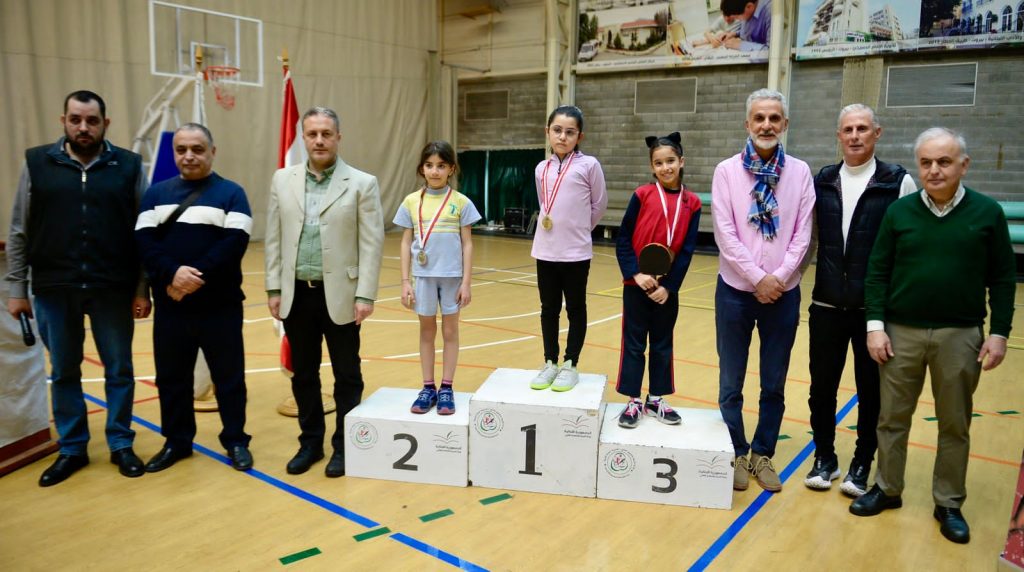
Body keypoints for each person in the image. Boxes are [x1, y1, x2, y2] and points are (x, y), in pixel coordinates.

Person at [851, 127, 1015, 545]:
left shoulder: (988, 213)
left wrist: (999, 332)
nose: (934, 170)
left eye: (944, 161)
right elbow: (877, 272)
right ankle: (887, 488)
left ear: (964, 165)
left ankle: (949, 502)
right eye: (926, 162)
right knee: (891, 418)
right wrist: (875, 327)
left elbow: (1003, 278)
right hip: (900, 333)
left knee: (954, 423)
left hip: (960, 336)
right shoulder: (899, 212)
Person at [5, 90, 151, 486]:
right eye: (75, 120)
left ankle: (120, 443)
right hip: (54, 288)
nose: (83, 127)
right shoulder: (37, 163)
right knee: (65, 371)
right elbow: (19, 229)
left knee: (119, 370)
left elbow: (144, 231)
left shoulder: (128, 166)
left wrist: (142, 288)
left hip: (113, 288)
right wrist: (17, 288)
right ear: (64, 121)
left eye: (91, 120)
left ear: (106, 124)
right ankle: (72, 448)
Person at [803, 104, 917, 496]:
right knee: (821, 389)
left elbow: (907, 249)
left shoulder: (898, 182)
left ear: (876, 133)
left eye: (862, 129)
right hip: (827, 307)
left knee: (871, 392)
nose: (855, 136)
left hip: (873, 314)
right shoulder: (823, 180)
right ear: (839, 135)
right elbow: (809, 239)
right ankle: (825, 457)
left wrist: (892, 309)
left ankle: (862, 462)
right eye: (848, 129)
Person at [265, 106, 385, 478]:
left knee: (347, 375)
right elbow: (274, 238)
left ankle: (345, 446)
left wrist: (365, 295)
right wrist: (273, 287)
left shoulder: (362, 183)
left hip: (342, 296)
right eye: (312, 134)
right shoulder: (282, 180)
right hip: (296, 295)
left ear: (338, 138)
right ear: (303, 137)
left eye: (326, 134)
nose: (319, 140)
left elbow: (372, 243)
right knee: (303, 374)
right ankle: (310, 443)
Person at [134, 123, 253, 472]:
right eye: (181, 149)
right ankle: (177, 441)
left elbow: (234, 244)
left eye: (197, 149)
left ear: (212, 152)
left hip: (220, 307)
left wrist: (189, 278)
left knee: (229, 379)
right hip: (172, 308)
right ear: (174, 153)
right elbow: (144, 242)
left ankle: (235, 440)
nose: (189, 156)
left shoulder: (233, 193)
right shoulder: (155, 194)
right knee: (172, 379)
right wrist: (173, 274)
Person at [713, 88, 815, 493]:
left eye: (774, 118)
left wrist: (779, 278)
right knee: (730, 382)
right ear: (747, 123)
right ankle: (736, 450)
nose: (767, 125)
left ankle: (762, 453)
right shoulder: (726, 172)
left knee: (774, 382)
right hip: (735, 292)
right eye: (759, 117)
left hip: (783, 294)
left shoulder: (801, 173)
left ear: (785, 124)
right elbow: (725, 233)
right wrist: (758, 278)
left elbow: (804, 233)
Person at [614, 133, 702, 428]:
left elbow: (686, 251)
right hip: (636, 286)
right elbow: (623, 239)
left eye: (671, 161)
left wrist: (669, 287)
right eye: (659, 163)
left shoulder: (692, 203)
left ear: (681, 162)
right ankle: (633, 401)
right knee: (634, 344)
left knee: (662, 344)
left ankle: (655, 399)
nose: (666, 167)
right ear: (652, 167)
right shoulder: (642, 195)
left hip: (666, 290)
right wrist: (635, 274)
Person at [394, 141, 481, 415]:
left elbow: (467, 243)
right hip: (423, 277)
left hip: (452, 278)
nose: (435, 171)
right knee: (427, 332)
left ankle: (447, 388)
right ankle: (428, 387)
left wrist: (466, 282)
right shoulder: (411, 202)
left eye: (441, 166)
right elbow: (405, 242)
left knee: (450, 332)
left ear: (451, 169)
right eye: (429, 165)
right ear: (422, 168)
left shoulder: (461, 202)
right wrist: (405, 281)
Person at [529, 105, 608, 392]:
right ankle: (550, 361)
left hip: (576, 252)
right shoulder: (542, 168)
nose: (563, 137)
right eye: (557, 130)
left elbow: (599, 204)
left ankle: (570, 363)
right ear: (548, 132)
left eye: (570, 132)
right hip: (545, 250)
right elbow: (544, 204)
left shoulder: (589, 166)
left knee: (575, 307)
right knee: (548, 309)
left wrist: (579, 229)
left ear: (579, 136)